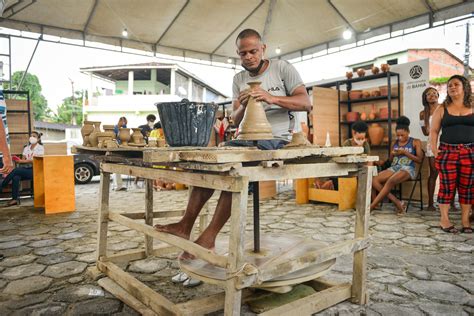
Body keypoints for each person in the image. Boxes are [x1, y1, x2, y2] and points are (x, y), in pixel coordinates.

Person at [154, 29, 310, 262]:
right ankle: (185, 225)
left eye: (253, 51)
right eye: (243, 53)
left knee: (233, 172)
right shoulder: (239, 79)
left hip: (277, 139)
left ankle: (208, 239)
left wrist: (271, 98)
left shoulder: (282, 68)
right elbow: (235, 120)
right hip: (246, 137)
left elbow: (305, 103)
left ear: (263, 49)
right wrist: (244, 105)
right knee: (210, 164)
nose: (248, 57)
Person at [430, 75, 473, 234]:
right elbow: (434, 131)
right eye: (449, 86)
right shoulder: (442, 108)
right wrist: (435, 150)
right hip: (447, 152)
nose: (452, 87)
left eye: (456, 84)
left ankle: (465, 220)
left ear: (464, 87)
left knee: (467, 188)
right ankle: (444, 219)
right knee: (447, 187)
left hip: (470, 152)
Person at [371, 116, 424, 214]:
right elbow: (390, 161)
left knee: (391, 181)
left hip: (408, 169)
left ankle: (371, 206)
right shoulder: (394, 143)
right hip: (394, 167)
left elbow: (420, 160)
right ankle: (398, 202)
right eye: (398, 135)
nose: (400, 138)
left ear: (408, 132)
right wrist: (391, 155)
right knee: (374, 180)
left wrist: (405, 153)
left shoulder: (415, 142)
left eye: (402, 135)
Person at [315, 121, 371, 190]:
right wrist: (355, 150)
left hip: (360, 168)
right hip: (347, 169)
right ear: (353, 133)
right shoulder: (347, 143)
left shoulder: (365, 144)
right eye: (358, 139)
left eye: (362, 139)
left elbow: (369, 159)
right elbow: (342, 158)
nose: (361, 141)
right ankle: (324, 184)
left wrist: (369, 171)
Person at [1, 131, 44, 206]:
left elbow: (36, 161)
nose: (32, 138)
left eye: (34, 136)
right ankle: (15, 199)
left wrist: (24, 161)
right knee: (16, 177)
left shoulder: (41, 148)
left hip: (34, 170)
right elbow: (23, 161)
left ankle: (1, 186)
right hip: (25, 169)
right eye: (31, 136)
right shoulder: (26, 148)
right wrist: (18, 160)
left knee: (16, 171)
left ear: (38, 139)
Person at [419, 87, 440, 211]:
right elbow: (425, 133)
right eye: (428, 94)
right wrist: (428, 128)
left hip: (446, 141)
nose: (432, 95)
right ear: (425, 98)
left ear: (438, 94)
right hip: (432, 143)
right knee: (434, 172)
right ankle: (431, 203)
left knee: (449, 173)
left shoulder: (445, 108)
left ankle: (451, 202)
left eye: (434, 93)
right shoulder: (423, 113)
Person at [113, 117, 128, 191]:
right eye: (123, 122)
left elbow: (126, 135)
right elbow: (116, 137)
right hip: (115, 148)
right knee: (116, 166)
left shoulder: (123, 127)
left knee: (116, 166)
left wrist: (124, 127)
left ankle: (117, 185)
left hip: (121, 147)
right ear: (120, 121)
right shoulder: (115, 128)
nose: (124, 124)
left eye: (125, 122)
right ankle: (117, 186)